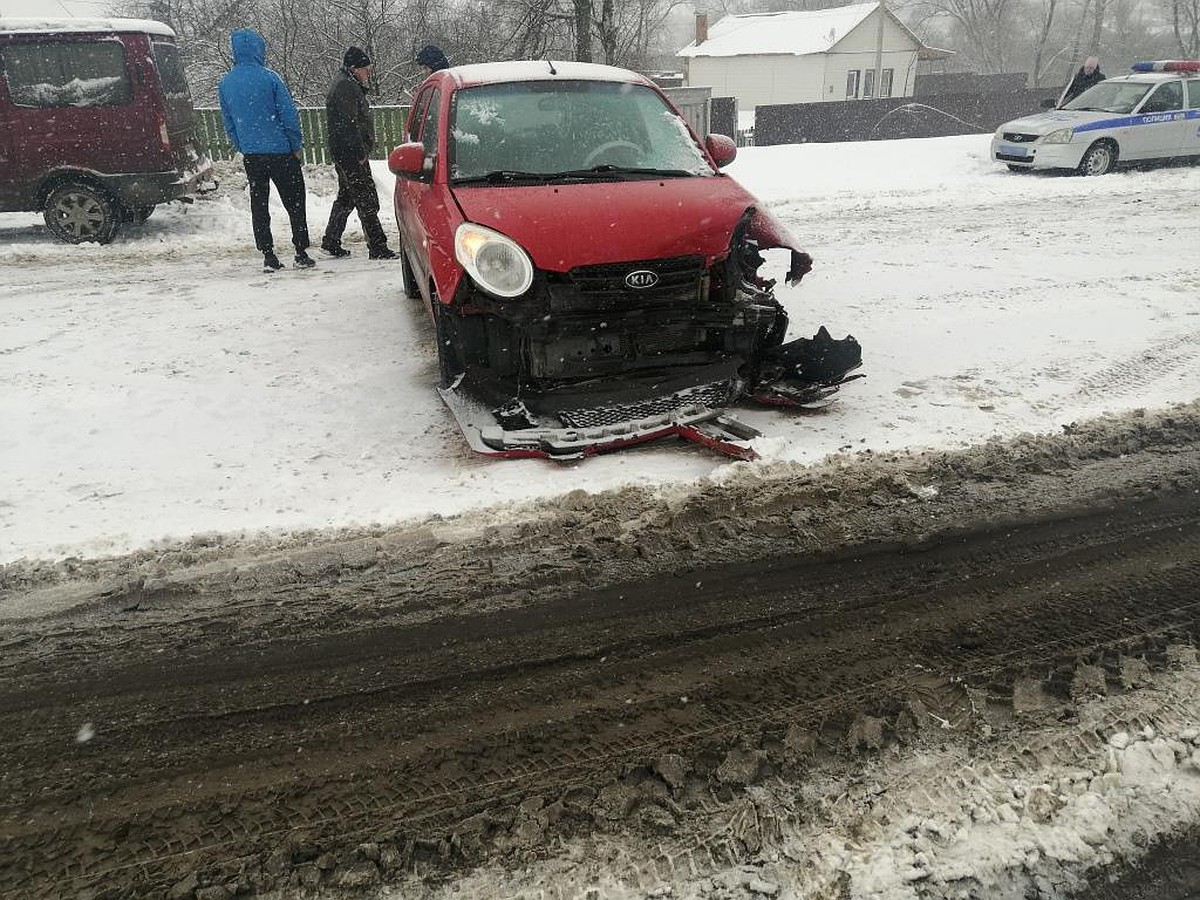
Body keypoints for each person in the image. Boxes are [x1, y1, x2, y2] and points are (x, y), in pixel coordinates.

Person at [218, 28, 315, 272]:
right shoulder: (270, 78)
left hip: (252, 155)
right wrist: (295, 145)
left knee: (259, 204)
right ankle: (300, 251)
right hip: (281, 152)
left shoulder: (226, 83)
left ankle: (268, 254)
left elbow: (228, 122)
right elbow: (288, 115)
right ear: (258, 50)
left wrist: (243, 145)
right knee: (295, 201)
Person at [320, 46, 396, 260]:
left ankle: (331, 240)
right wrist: (359, 152)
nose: (368, 73)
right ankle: (378, 246)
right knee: (366, 198)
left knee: (347, 197)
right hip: (351, 154)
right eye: (365, 69)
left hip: (344, 153)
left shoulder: (345, 82)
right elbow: (348, 124)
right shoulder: (345, 86)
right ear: (354, 68)